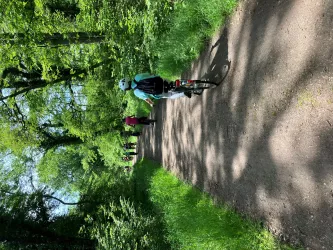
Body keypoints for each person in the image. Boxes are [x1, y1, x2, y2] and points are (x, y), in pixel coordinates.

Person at [118, 73, 191, 107]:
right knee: (172, 82)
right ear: (128, 79)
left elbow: (146, 98)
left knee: (170, 95)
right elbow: (149, 74)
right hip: (160, 80)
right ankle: (187, 82)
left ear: (127, 89)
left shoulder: (136, 92)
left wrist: (151, 103)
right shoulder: (137, 77)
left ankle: (183, 93)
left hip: (158, 92)